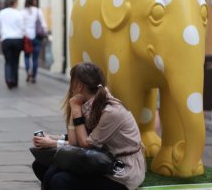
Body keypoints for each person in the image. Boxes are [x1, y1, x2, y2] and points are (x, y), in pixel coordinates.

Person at [32, 62, 146, 190]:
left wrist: (75, 110)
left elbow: (84, 144)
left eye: (72, 83)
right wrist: (53, 137)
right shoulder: (88, 104)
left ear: (79, 86)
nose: (70, 88)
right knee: (42, 166)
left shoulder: (111, 111)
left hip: (121, 172)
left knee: (60, 180)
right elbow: (75, 143)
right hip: (99, 160)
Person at [0, 0, 24, 89]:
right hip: (17, 39)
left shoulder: (2, 13)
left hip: (6, 39)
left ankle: (8, 79)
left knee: (8, 61)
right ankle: (14, 81)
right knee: (15, 61)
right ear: (15, 3)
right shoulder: (18, 14)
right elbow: (22, 28)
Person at [22, 0, 47, 83]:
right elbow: (43, 24)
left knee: (26, 56)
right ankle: (33, 77)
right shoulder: (37, 11)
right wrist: (45, 33)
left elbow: (21, 25)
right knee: (35, 58)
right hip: (36, 36)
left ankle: (28, 72)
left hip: (26, 37)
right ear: (33, 1)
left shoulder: (22, 12)